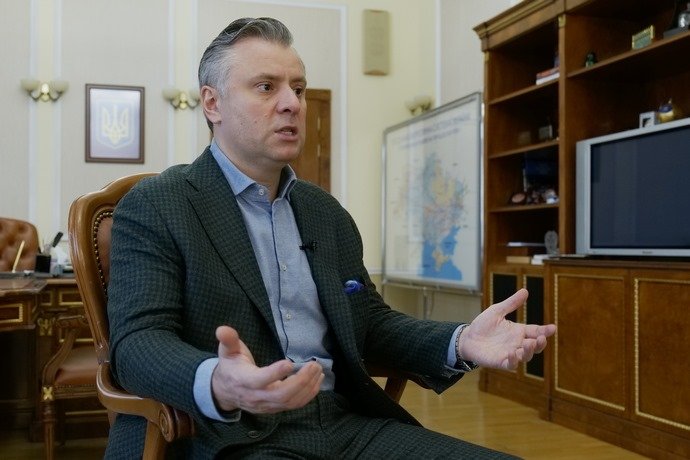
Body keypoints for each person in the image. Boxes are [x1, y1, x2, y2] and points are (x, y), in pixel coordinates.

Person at [106, 17, 557, 459]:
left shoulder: (325, 213)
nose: (292, 103)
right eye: (266, 87)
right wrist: (218, 383)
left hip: (341, 425)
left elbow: (370, 324)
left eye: (298, 89)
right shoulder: (159, 204)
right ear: (212, 103)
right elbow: (138, 343)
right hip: (227, 436)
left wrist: (460, 341)